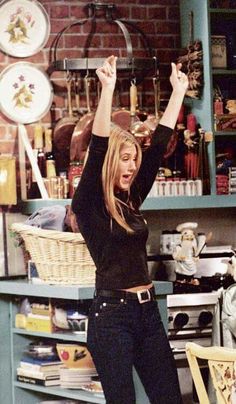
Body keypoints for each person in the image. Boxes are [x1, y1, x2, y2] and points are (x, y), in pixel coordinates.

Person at [72, 55, 188, 404]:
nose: (133, 166)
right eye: (125, 159)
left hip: (147, 313)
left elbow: (157, 150)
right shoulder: (89, 204)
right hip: (112, 318)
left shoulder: (132, 198)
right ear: (110, 162)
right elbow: (98, 148)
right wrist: (107, 88)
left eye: (133, 158)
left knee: (169, 398)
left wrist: (178, 93)